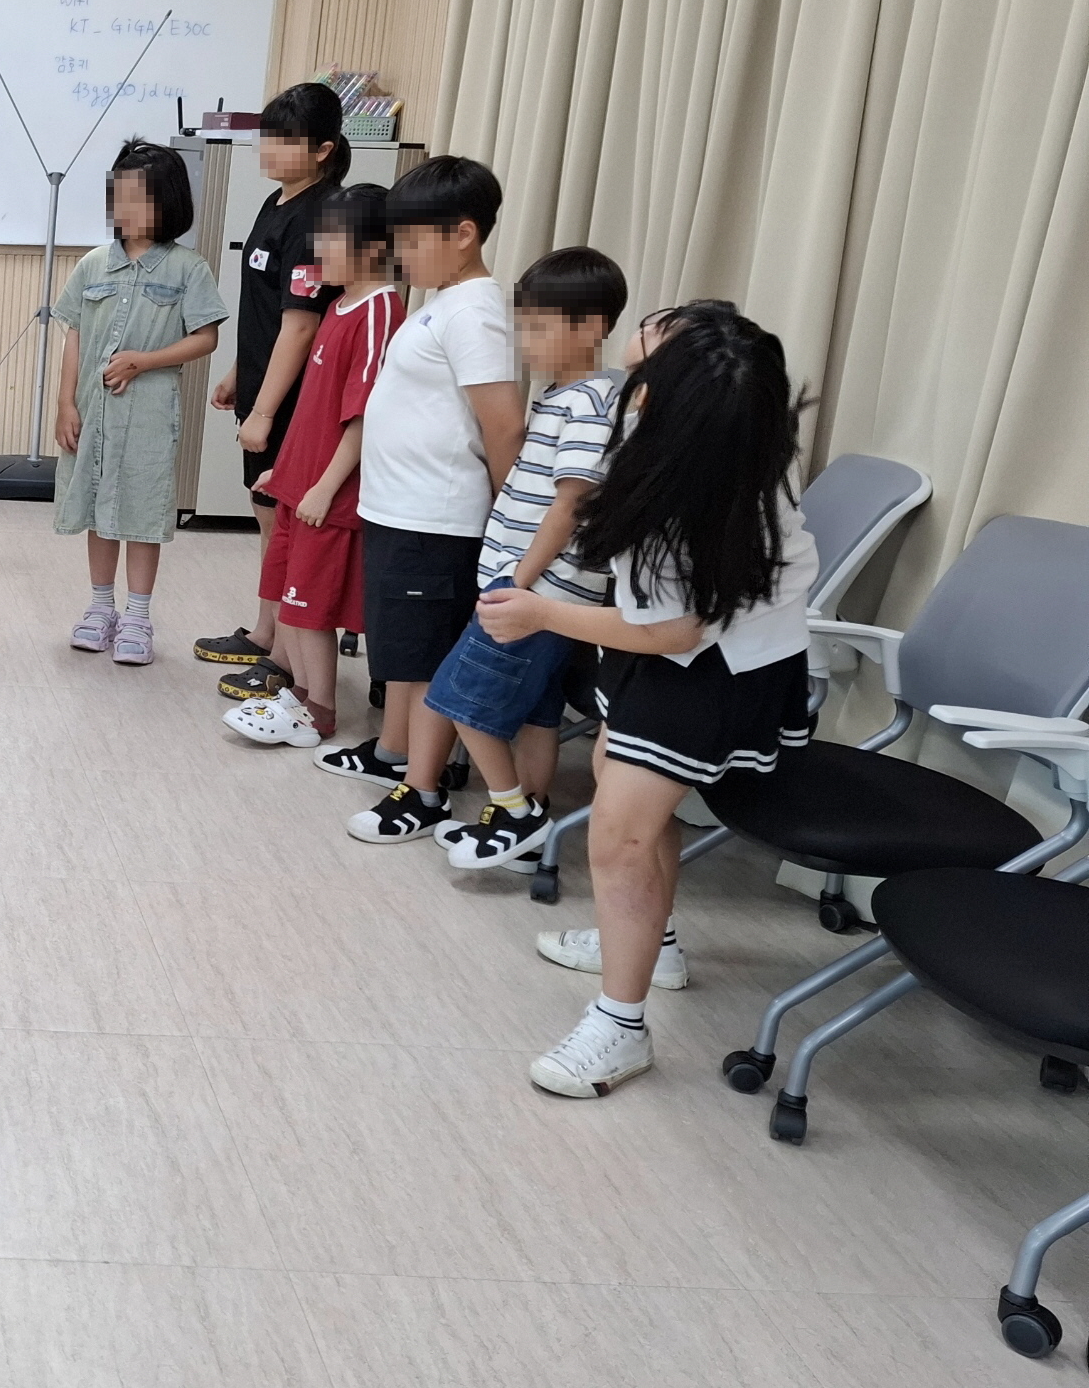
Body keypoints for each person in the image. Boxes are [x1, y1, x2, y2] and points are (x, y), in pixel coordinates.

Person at [476, 304, 818, 1097]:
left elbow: (671, 631)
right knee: (614, 778)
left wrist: (540, 613)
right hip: (670, 645)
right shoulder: (696, 425)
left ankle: (620, 1027)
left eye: (667, 334)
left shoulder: (699, 489)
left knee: (620, 836)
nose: (653, 326)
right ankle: (649, 944)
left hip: (710, 666)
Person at [320, 156, 525, 845]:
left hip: (437, 516)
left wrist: (508, 524)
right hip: (401, 509)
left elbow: (504, 427)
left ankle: (425, 789)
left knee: (430, 658)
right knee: (403, 653)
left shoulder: (475, 311)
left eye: (411, 240)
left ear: (463, 234)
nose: (400, 254)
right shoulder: (443, 303)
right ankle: (393, 754)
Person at [424, 248, 629, 868]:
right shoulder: (562, 395)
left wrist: (518, 584)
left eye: (540, 328)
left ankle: (513, 809)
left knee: (457, 698)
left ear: (591, 328)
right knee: (538, 713)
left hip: (538, 594)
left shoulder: (590, 404)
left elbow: (571, 505)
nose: (526, 343)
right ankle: (527, 827)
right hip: (539, 593)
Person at [220, 183, 402, 748]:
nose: (319, 252)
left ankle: (318, 709)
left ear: (372, 246)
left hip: (330, 494)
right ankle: (297, 693)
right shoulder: (339, 304)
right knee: (286, 594)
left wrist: (324, 486)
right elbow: (314, 408)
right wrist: (286, 471)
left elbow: (365, 413)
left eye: (332, 241)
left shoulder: (379, 309)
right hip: (297, 484)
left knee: (309, 607)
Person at [53, 139, 228, 666]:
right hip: (94, 411)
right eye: (120, 197)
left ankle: (137, 616)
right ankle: (100, 607)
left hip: (149, 414)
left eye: (140, 199)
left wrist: (143, 361)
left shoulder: (188, 268)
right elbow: (74, 334)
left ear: (168, 203)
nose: (126, 209)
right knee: (98, 507)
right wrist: (65, 403)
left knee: (142, 509)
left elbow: (206, 338)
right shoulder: (93, 265)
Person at [195, 81, 349, 669]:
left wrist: (264, 412)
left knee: (282, 523)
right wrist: (240, 372)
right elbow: (265, 306)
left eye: (285, 140)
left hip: (292, 401)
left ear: (322, 150)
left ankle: (284, 654)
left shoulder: (318, 216)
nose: (269, 149)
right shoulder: (276, 201)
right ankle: (267, 634)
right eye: (267, 136)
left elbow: (302, 325)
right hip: (262, 383)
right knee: (267, 520)